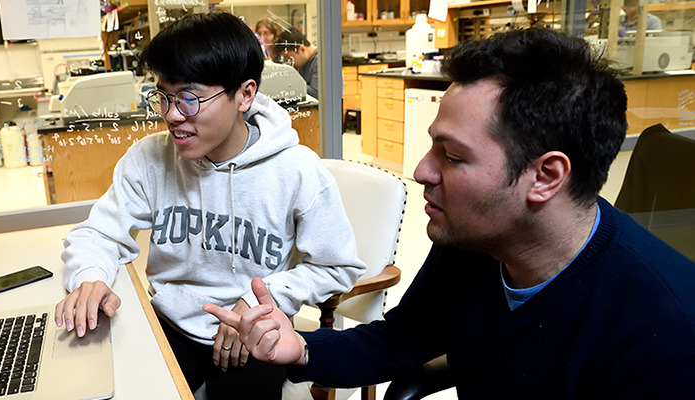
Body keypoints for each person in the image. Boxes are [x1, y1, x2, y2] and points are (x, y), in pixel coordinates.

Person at [206, 27, 695, 399]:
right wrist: (302, 349)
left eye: (453, 156)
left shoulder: (665, 337)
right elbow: (401, 341)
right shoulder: (475, 241)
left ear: (545, 177)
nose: (420, 171)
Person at [53, 11, 366, 400]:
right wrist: (90, 277)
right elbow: (99, 232)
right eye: (163, 97)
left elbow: (339, 267)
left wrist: (260, 301)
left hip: (253, 331)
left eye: (188, 99)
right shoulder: (149, 158)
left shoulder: (297, 171)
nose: (171, 116)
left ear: (245, 94)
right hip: (170, 322)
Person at [274, 29, 319, 99]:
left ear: (302, 49)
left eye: (288, 58)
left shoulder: (320, 61)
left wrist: (290, 81)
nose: (289, 63)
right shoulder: (302, 62)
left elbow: (316, 94)